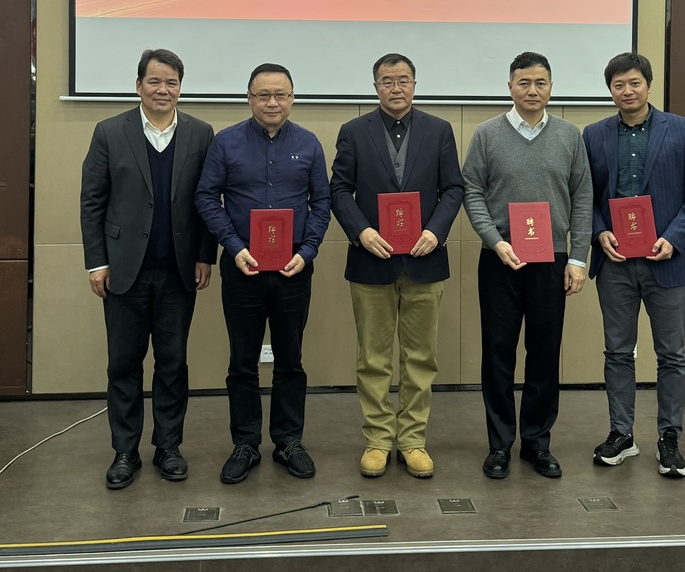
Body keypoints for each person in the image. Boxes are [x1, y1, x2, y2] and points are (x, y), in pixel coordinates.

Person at [81, 48, 215, 490]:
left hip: (179, 271)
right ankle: (125, 451)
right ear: (138, 86)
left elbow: (207, 201)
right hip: (124, 271)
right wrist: (97, 262)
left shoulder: (200, 133)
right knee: (123, 364)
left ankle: (168, 447)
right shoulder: (109, 132)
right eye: (154, 81)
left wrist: (204, 255)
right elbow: (92, 202)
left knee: (173, 363)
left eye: (171, 82)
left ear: (181, 88)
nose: (163, 90)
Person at [330, 53, 463, 479]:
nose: (396, 88)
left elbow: (453, 188)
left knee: (421, 358)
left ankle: (412, 440)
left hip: (426, 259)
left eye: (403, 80)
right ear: (376, 87)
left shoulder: (439, 130)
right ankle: (377, 440)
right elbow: (339, 190)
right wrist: (361, 232)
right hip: (372, 260)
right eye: (387, 81)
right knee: (373, 358)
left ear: (414, 85)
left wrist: (436, 231)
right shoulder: (354, 132)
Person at [195, 63, 330, 484]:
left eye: (281, 94)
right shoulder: (226, 142)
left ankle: (289, 440)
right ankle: (245, 443)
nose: (272, 102)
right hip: (242, 266)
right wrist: (233, 246)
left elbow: (321, 203)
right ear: (249, 98)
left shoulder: (308, 144)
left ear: (292, 98)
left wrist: (307, 251)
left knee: (291, 359)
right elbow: (206, 197)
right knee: (242, 361)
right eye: (263, 94)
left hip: (293, 268)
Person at [583, 52, 685, 478]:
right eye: (619, 85)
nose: (627, 91)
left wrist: (674, 238)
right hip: (616, 261)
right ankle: (621, 434)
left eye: (634, 83)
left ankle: (669, 438)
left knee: (672, 354)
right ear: (610, 90)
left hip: (667, 260)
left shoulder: (682, 129)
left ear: (649, 85)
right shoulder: (594, 135)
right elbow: (586, 195)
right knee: (617, 351)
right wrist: (599, 232)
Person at [463, 51, 592, 481]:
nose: (532, 90)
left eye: (540, 83)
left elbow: (583, 198)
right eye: (524, 83)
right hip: (500, 259)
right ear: (510, 87)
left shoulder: (570, 136)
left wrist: (577, 258)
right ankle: (499, 444)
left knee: (544, 354)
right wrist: (495, 240)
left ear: (551, 88)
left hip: (551, 261)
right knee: (497, 354)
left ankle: (537, 442)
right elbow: (472, 191)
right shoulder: (486, 134)